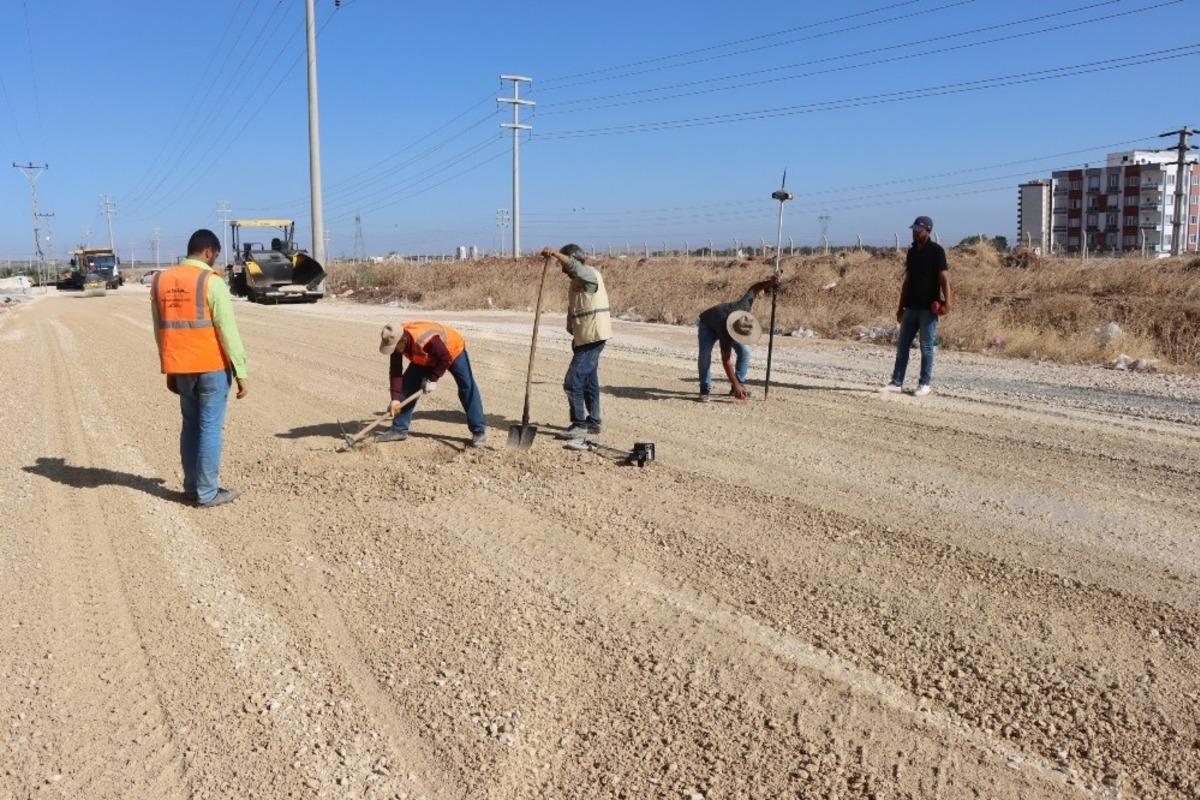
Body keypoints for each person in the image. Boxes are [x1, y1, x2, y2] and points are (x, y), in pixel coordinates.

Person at [150, 229, 248, 508]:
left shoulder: (160, 281)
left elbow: (160, 330)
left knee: (190, 426)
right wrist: (241, 372)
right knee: (210, 428)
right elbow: (227, 329)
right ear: (208, 251)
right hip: (211, 367)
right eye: (215, 255)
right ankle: (207, 493)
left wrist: (169, 366)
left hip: (181, 369)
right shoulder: (210, 281)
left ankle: (192, 488)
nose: (215, 260)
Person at [540, 244, 612, 440]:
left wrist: (555, 254)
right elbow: (576, 309)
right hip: (584, 338)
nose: (562, 269)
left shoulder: (589, 275)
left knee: (572, 382)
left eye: (564, 264)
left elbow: (574, 266)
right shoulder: (576, 282)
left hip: (593, 337)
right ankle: (594, 422)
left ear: (572, 260)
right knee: (589, 382)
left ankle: (579, 425)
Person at [377, 321, 487, 447]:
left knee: (467, 387)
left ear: (403, 340)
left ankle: (478, 431)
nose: (394, 350)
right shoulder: (395, 338)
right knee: (407, 387)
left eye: (395, 347)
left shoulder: (425, 339)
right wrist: (395, 399)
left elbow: (445, 358)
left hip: (452, 350)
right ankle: (398, 429)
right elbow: (395, 371)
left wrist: (432, 379)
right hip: (426, 355)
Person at [883, 215, 951, 397]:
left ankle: (924, 384)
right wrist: (900, 307)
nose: (915, 233)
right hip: (911, 307)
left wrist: (948, 303)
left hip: (928, 309)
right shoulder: (911, 252)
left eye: (918, 230)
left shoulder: (937, 251)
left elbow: (944, 278)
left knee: (926, 347)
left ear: (928, 231)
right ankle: (896, 382)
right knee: (902, 346)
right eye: (914, 230)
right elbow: (907, 281)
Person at [696, 276, 778, 402]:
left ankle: (738, 385)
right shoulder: (725, 330)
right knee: (705, 355)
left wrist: (770, 282)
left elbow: (754, 289)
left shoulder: (744, 307)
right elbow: (726, 361)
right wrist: (734, 383)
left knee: (746, 352)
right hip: (707, 325)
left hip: (727, 323)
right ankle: (705, 388)